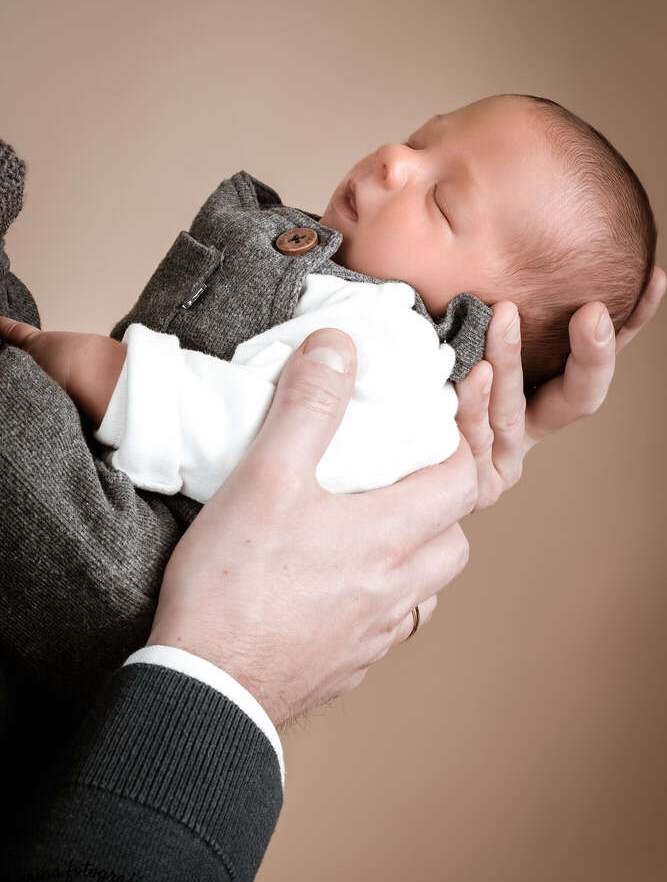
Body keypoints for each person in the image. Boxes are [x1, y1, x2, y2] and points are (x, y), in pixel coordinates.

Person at [1, 246, 663, 882]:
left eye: (444, 199)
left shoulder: (385, 341)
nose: (388, 166)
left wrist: (209, 675)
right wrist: (223, 678)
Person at [0, 95, 658, 697]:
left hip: (138, 575)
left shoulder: (400, 360)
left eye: (442, 202)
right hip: (113, 511)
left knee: (15, 418)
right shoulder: (344, 291)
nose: (394, 162)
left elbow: (269, 456)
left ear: (482, 320)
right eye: (418, 140)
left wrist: (106, 371)